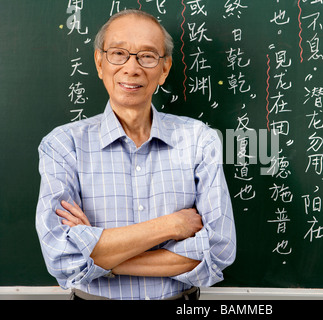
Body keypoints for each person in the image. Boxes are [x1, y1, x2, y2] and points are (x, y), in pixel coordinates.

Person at [35, 9, 236, 300]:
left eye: (147, 56)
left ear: (164, 69)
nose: (132, 68)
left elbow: (219, 249)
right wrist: (171, 225)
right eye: (118, 53)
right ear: (99, 62)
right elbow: (60, 255)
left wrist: (101, 257)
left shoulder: (198, 139)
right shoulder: (64, 144)